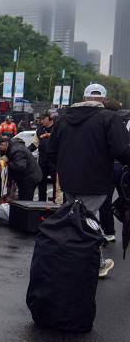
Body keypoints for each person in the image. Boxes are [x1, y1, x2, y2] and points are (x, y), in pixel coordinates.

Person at [45, 83, 130, 278]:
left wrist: (62, 168)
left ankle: (75, 260)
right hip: (96, 180)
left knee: (79, 218)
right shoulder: (109, 118)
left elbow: (51, 150)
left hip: (68, 180)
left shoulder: (64, 119)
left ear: (84, 98)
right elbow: (122, 150)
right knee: (87, 219)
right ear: (103, 100)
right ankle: (91, 263)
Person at [0, 134, 42, 201]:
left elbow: (20, 167)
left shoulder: (16, 151)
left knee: (25, 201)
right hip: (27, 177)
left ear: (3, 144)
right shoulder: (10, 147)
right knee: (22, 199)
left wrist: (7, 161)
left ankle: (26, 211)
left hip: (29, 178)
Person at [34, 110, 57, 202]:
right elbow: (35, 144)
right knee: (41, 182)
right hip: (42, 160)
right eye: (40, 119)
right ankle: (41, 201)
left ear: (50, 118)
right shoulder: (39, 129)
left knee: (56, 183)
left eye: (43, 119)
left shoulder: (57, 128)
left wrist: (50, 135)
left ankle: (56, 203)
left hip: (55, 160)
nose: (41, 121)